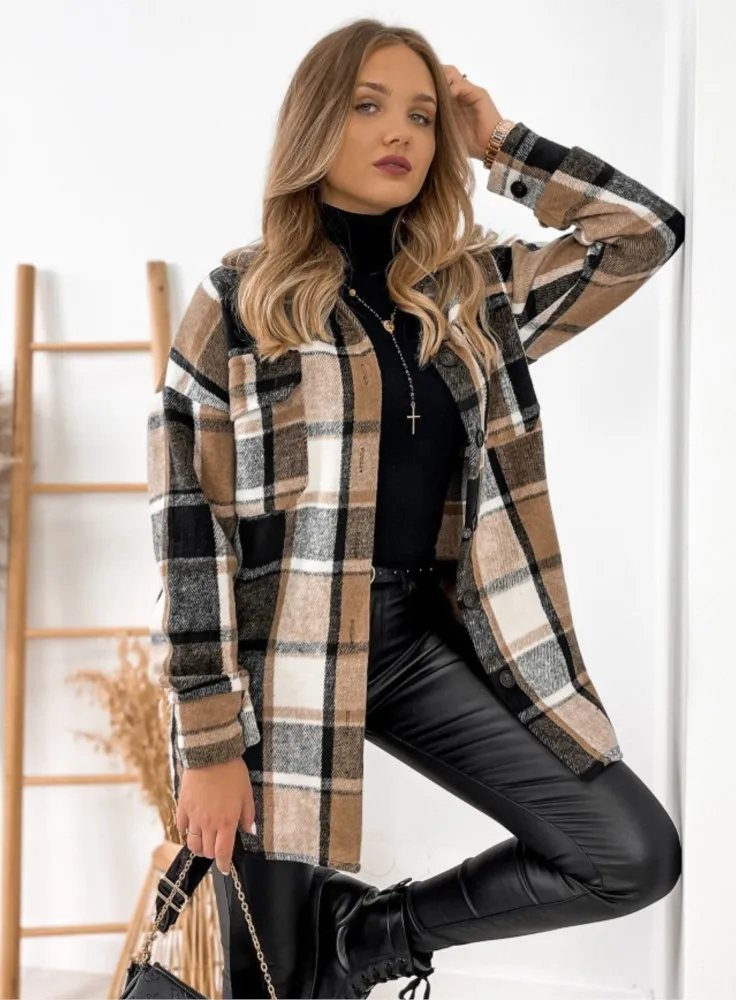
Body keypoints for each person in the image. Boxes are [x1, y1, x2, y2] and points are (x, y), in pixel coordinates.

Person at [146, 17, 685, 1000]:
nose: (400, 131)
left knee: (628, 852)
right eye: (368, 105)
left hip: (416, 642)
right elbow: (189, 533)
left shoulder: (471, 293)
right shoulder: (239, 302)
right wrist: (211, 741)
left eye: (423, 115)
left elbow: (641, 234)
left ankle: (365, 936)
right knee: (271, 985)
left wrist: (501, 142)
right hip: (276, 672)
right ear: (317, 123)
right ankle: (318, 957)